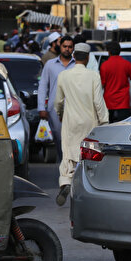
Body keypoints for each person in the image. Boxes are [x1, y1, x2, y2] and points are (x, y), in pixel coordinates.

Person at [54, 42, 108, 205]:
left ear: (74, 56)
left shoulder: (63, 76)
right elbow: (98, 102)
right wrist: (104, 121)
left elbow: (58, 102)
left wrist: (60, 114)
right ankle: (88, 186)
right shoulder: (93, 76)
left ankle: (65, 183)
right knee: (87, 155)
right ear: (88, 58)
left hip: (70, 121)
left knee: (68, 154)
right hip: (89, 121)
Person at [36, 35, 76, 164]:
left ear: (73, 48)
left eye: (70, 47)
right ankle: (64, 164)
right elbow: (43, 87)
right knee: (59, 139)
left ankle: (71, 166)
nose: (67, 49)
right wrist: (41, 108)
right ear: (60, 46)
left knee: (73, 139)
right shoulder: (50, 65)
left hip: (74, 108)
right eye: (65, 46)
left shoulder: (77, 65)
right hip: (54, 111)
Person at [99, 41, 131, 122]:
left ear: (108, 52)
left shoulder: (104, 65)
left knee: (108, 125)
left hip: (108, 101)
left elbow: (102, 84)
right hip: (123, 101)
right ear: (119, 51)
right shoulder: (127, 64)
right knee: (122, 125)